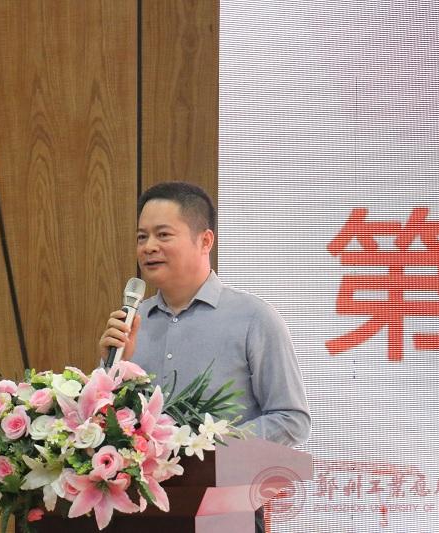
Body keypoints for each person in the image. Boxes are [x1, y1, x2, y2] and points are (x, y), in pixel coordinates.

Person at [98, 181, 311, 531]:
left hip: (224, 513)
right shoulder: (131, 322)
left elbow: (291, 419)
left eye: (163, 235)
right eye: (141, 237)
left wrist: (207, 448)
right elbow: (101, 423)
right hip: (136, 514)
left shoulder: (253, 318)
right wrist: (114, 366)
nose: (149, 247)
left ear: (205, 241)